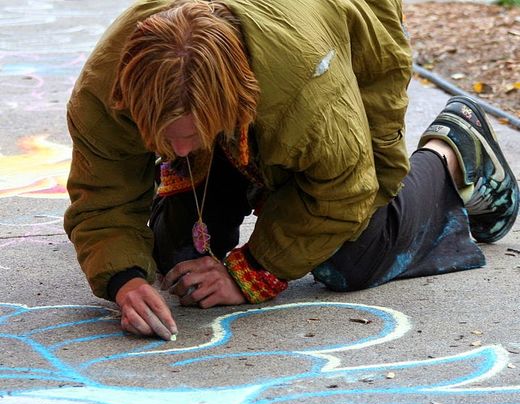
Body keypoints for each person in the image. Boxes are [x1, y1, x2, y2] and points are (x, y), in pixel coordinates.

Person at [64, 0, 519, 341]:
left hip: (338, 40)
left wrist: (255, 270)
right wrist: (124, 280)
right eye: (163, 138)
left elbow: (345, 191)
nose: (177, 149)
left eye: (190, 134)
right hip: (254, 89)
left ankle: (454, 148)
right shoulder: (106, 90)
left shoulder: (306, 90)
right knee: (178, 253)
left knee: (352, 257)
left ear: (234, 103)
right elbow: (101, 197)